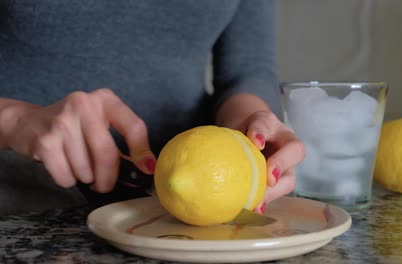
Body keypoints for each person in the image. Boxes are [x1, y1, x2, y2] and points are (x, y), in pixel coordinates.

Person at [0, 0, 305, 215]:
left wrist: (251, 124)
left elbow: (247, 70)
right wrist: (13, 120)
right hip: (19, 205)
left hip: (174, 216)